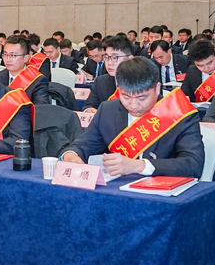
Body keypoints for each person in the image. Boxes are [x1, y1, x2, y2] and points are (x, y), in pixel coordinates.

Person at [59, 57, 205, 178]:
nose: (133, 105)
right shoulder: (107, 110)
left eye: (142, 98)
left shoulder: (180, 115)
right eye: (126, 96)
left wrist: (139, 166)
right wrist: (71, 156)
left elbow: (193, 164)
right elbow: (81, 145)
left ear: (157, 88)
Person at [82, 36, 134, 113]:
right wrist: (89, 110)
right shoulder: (101, 81)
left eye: (114, 57)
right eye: (106, 57)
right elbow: (88, 105)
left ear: (130, 58)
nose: (109, 63)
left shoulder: (142, 82)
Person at [0, 35, 51, 105]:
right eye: (5, 54)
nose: (8, 59)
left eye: (13, 55)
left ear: (26, 58)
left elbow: (40, 108)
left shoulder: (38, 81)